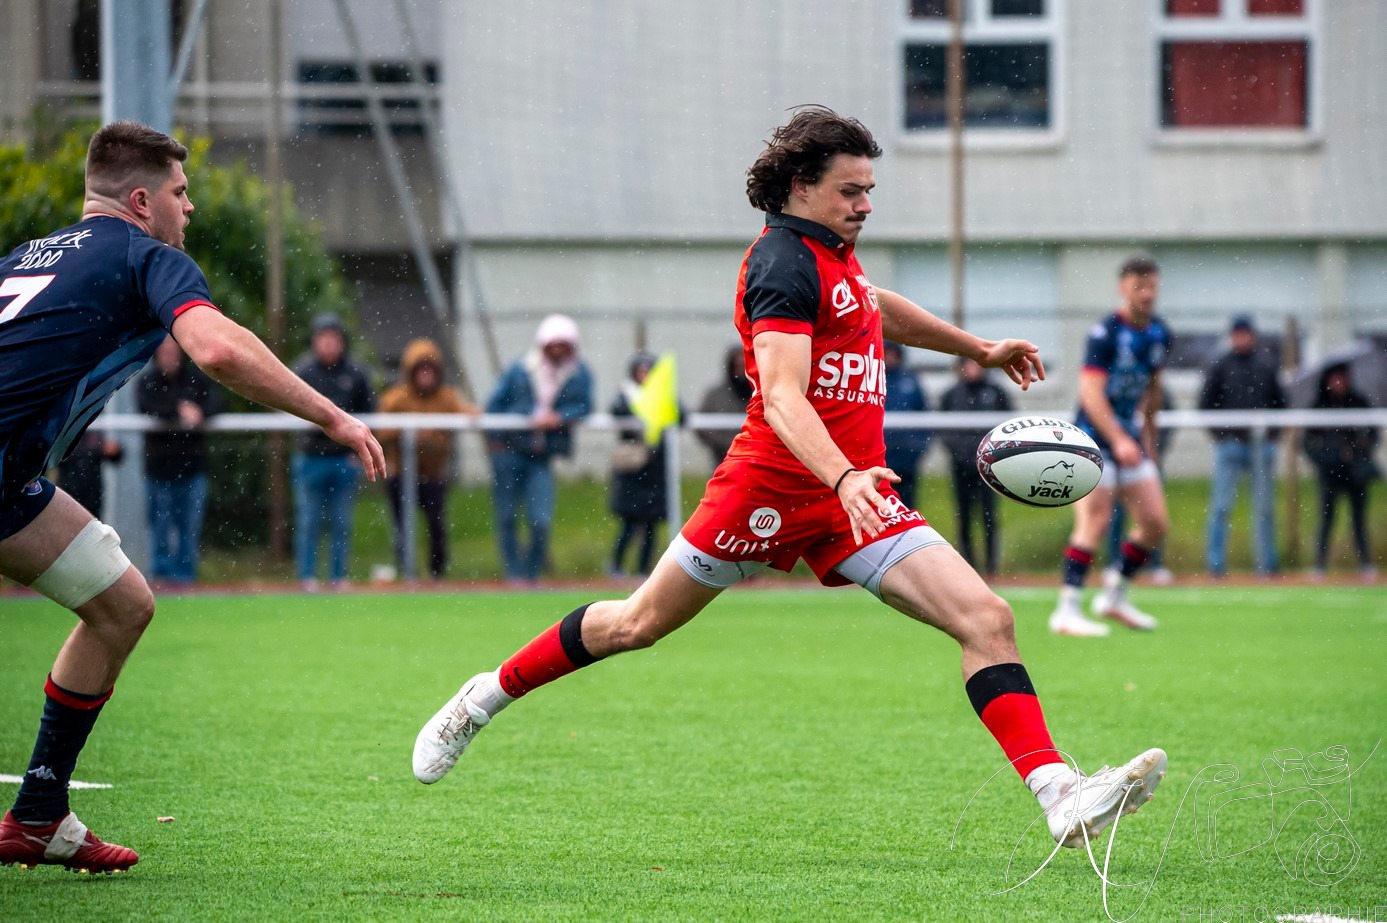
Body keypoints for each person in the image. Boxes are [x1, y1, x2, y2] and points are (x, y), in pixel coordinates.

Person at [413, 107, 1166, 851]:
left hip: (853, 499)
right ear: (801, 187)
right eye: (850, 191)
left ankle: (1057, 793)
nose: (864, 204)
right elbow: (779, 395)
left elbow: (876, 310)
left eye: (869, 189)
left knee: (986, 617)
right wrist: (841, 476)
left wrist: (977, 347)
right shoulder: (781, 261)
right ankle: (483, 697)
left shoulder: (836, 254)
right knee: (634, 624)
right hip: (770, 489)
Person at [0, 121, 383, 873]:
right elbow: (217, 348)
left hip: (10, 483)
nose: (191, 208)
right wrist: (333, 414)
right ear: (141, 200)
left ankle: (40, 812)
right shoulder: (145, 256)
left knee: (121, 603)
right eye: (181, 192)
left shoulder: (28, 255)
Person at [1048, 256, 1170, 637]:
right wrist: (1117, 438)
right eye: (1139, 286)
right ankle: (1067, 609)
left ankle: (1114, 595)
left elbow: (1153, 390)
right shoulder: (1106, 333)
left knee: (1154, 522)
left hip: (1129, 439)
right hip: (1092, 437)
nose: (1147, 293)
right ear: (1123, 288)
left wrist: (1147, 439)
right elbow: (1090, 393)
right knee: (1095, 521)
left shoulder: (1160, 333)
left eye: (1152, 286)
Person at [484, 314, 594, 583]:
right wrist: (525, 417)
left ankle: (531, 575)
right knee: (507, 516)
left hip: (541, 457)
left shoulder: (578, 374)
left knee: (539, 520)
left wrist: (559, 417)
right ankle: (514, 575)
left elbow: (584, 405)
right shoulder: (520, 369)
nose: (558, 350)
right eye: (553, 344)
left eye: (563, 344)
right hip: (510, 452)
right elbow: (495, 405)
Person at [377, 338, 478, 580]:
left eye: (430, 370)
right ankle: (405, 569)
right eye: (420, 370)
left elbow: (467, 413)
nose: (425, 375)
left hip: (432, 476)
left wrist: (433, 433)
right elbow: (380, 429)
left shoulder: (446, 397)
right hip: (401, 474)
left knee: (436, 525)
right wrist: (408, 433)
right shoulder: (396, 398)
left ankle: (436, 572)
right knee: (401, 525)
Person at [291, 313, 376, 589]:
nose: (328, 344)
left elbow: (370, 413)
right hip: (311, 458)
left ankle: (338, 576)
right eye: (323, 338)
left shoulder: (356, 374)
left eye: (333, 339)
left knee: (342, 522)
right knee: (309, 520)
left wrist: (356, 448)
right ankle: (307, 577)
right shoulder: (303, 372)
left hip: (344, 459)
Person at [1199, 315, 1286, 578]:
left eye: (1246, 334)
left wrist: (1271, 436)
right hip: (1231, 447)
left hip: (1262, 448)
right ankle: (1215, 565)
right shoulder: (1220, 366)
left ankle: (1267, 563)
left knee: (1264, 508)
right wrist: (1223, 435)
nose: (1242, 339)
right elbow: (1205, 406)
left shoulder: (1266, 366)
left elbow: (1281, 405)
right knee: (1221, 507)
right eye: (1237, 334)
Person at [136, 335, 219, 585]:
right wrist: (179, 410)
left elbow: (217, 403)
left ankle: (185, 579)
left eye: (173, 351)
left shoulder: (197, 379)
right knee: (159, 527)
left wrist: (201, 411)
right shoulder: (147, 381)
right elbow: (147, 406)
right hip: (158, 470)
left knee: (189, 528)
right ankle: (162, 577)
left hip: (192, 469)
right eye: (164, 351)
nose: (169, 356)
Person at [1303, 362, 1378, 579]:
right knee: (1326, 518)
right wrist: (1324, 458)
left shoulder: (1359, 402)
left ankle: (1365, 563)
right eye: (1335, 379)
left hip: (1355, 472)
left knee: (1358, 519)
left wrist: (1357, 451)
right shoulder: (1319, 405)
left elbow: (1373, 435)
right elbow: (1308, 442)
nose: (1339, 383)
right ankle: (1320, 564)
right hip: (1329, 473)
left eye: (1342, 378)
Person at [938, 357, 1012, 577]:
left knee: (989, 515)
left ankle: (991, 567)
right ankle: (967, 564)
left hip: (989, 468)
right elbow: (943, 429)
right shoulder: (952, 394)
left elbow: (1007, 427)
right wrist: (960, 454)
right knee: (964, 516)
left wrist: (991, 456)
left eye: (976, 364)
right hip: (961, 466)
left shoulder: (996, 392)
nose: (973, 368)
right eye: (968, 364)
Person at [609, 353, 675, 577]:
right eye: (641, 371)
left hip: (655, 472)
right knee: (629, 524)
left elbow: (679, 414)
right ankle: (616, 567)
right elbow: (617, 411)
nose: (644, 376)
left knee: (650, 526)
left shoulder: (662, 394)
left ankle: (643, 570)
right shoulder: (627, 394)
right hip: (633, 470)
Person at [881, 340, 932, 510]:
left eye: (892, 353)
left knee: (907, 503)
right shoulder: (874, 379)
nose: (889, 357)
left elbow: (923, 413)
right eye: (886, 353)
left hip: (907, 455)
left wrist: (919, 447)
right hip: (880, 456)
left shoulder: (910, 380)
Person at [694, 344, 753, 464]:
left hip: (756, 457)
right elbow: (702, 427)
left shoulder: (761, 394)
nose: (741, 371)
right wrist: (729, 444)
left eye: (744, 366)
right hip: (722, 459)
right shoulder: (715, 396)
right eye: (737, 366)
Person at [55, 431, 122, 521]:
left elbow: (114, 454)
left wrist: (113, 449)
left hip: (92, 497)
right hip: (68, 494)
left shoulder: (96, 431)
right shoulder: (66, 429)